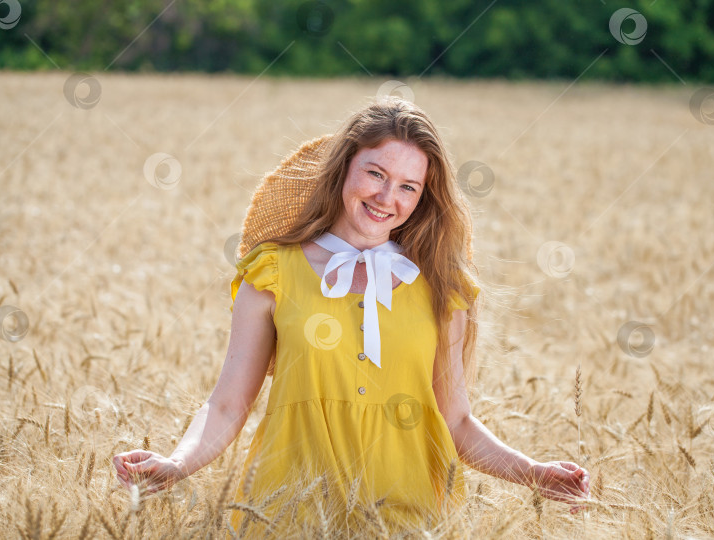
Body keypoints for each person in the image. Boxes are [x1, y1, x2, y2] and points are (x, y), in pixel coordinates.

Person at [112, 97, 590, 536]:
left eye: (408, 186)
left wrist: (533, 473)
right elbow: (226, 406)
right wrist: (175, 465)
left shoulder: (444, 288)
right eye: (375, 174)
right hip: (285, 511)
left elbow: (457, 420)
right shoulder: (272, 272)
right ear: (343, 169)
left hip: (410, 516)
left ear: (423, 196)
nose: (388, 198)